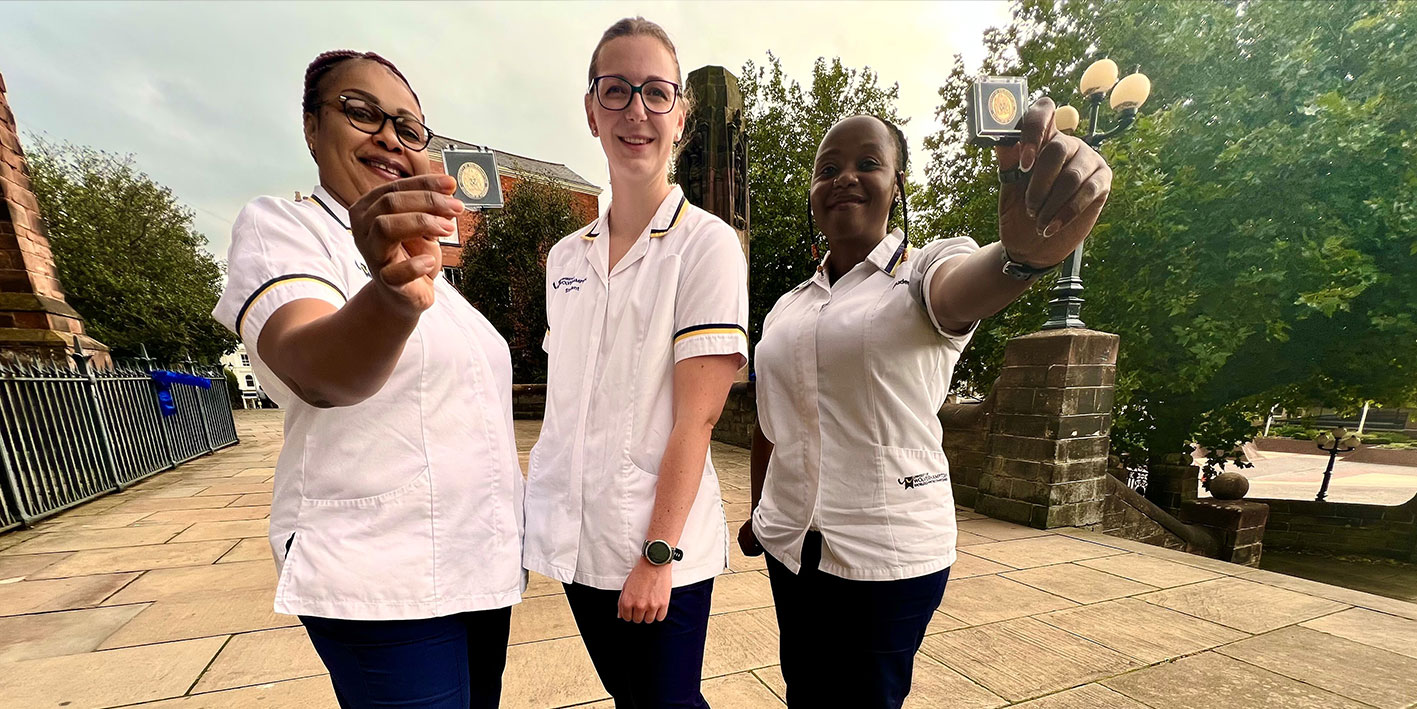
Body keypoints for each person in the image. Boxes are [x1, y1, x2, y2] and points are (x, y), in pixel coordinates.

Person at [740, 107, 1112, 708]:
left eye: (868, 163)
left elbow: (971, 283)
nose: (844, 178)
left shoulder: (921, 273)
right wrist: (758, 513)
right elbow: (768, 419)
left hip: (885, 557)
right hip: (790, 545)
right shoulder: (788, 307)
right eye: (827, 168)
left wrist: (1023, 257)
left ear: (897, 184)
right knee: (805, 691)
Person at [212, 50, 523, 709]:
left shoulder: (443, 280)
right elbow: (315, 369)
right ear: (311, 127)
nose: (388, 135)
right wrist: (386, 297)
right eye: (361, 112)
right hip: (383, 576)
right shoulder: (285, 229)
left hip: (480, 568)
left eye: (409, 128)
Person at [523, 17, 749, 708]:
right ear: (591, 111)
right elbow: (567, 408)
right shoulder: (565, 257)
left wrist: (657, 556)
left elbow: (698, 416)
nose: (636, 112)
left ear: (679, 115)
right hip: (579, 547)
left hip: (657, 552)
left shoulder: (703, 246)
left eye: (656, 93)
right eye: (615, 91)